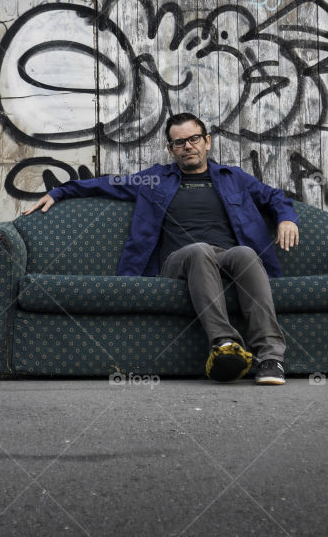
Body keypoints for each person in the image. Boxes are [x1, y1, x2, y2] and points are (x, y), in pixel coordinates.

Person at [23, 112, 300, 385]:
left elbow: (275, 197)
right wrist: (59, 192)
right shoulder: (154, 180)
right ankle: (224, 345)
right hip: (178, 263)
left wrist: (286, 218)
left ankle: (270, 359)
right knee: (200, 250)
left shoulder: (233, 178)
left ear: (207, 141)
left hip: (227, 258)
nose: (187, 146)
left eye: (193, 139)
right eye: (179, 143)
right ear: (170, 149)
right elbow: (107, 184)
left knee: (246, 253)